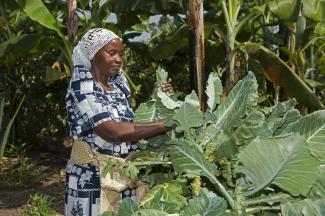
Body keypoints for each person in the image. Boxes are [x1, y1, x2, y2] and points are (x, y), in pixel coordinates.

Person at [64, 28, 174, 216]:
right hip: (92, 179)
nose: (118, 59)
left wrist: (158, 99)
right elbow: (112, 131)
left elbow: (128, 122)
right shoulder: (81, 87)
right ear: (92, 55)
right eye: (111, 53)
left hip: (123, 176)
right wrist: (166, 124)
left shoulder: (117, 86)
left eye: (121, 54)